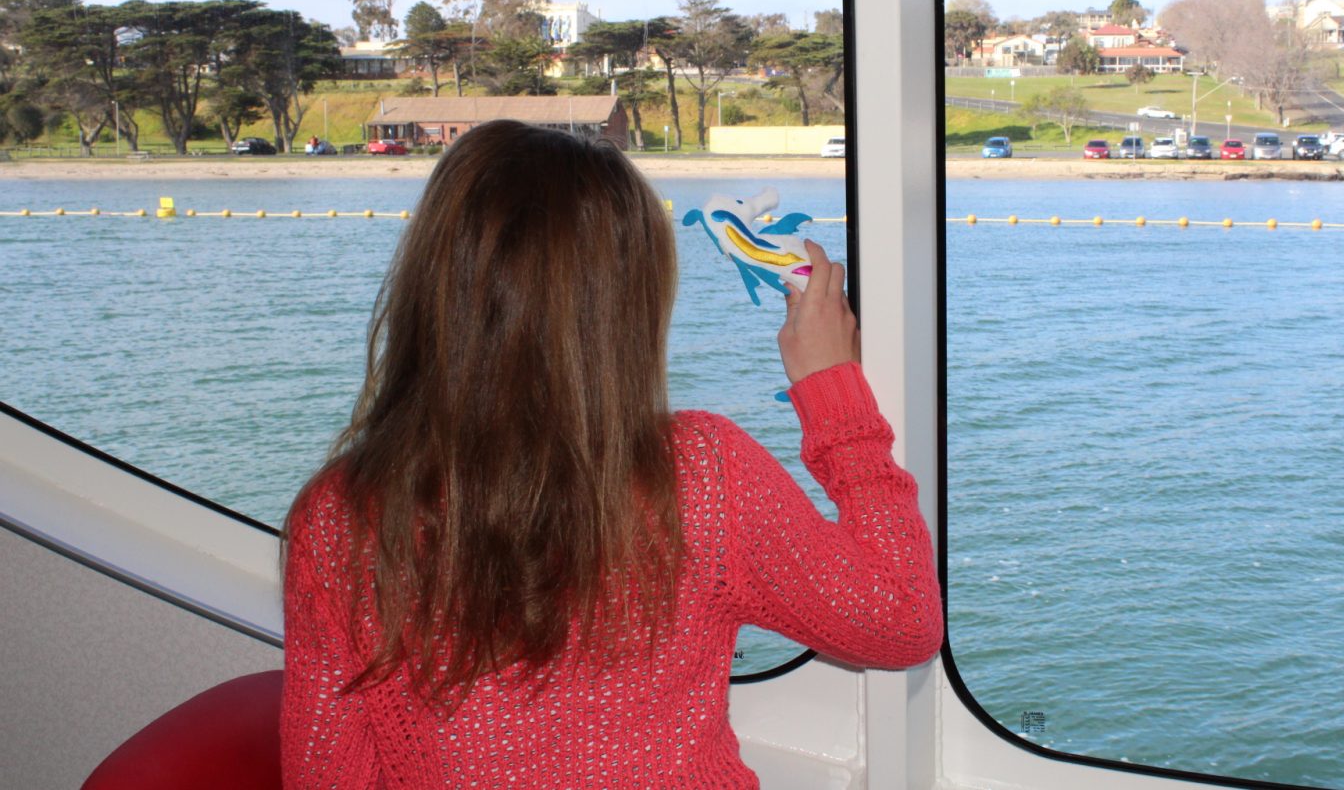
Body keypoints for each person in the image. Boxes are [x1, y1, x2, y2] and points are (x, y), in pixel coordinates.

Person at [280, 120, 942, 788]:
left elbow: (327, 775)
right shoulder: (699, 475)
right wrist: (833, 391)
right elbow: (902, 621)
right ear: (628, 307)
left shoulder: (337, 518)